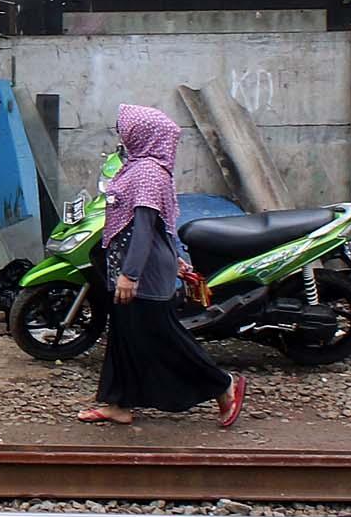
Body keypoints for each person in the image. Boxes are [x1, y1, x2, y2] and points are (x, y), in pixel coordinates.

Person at [77, 104, 246, 429]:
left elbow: (143, 228)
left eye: (126, 130)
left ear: (142, 135)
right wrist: (177, 260)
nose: (122, 135)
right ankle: (119, 403)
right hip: (143, 268)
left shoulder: (146, 173)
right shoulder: (143, 167)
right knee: (125, 335)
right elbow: (160, 226)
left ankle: (223, 386)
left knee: (162, 337)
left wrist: (130, 275)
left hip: (142, 275)